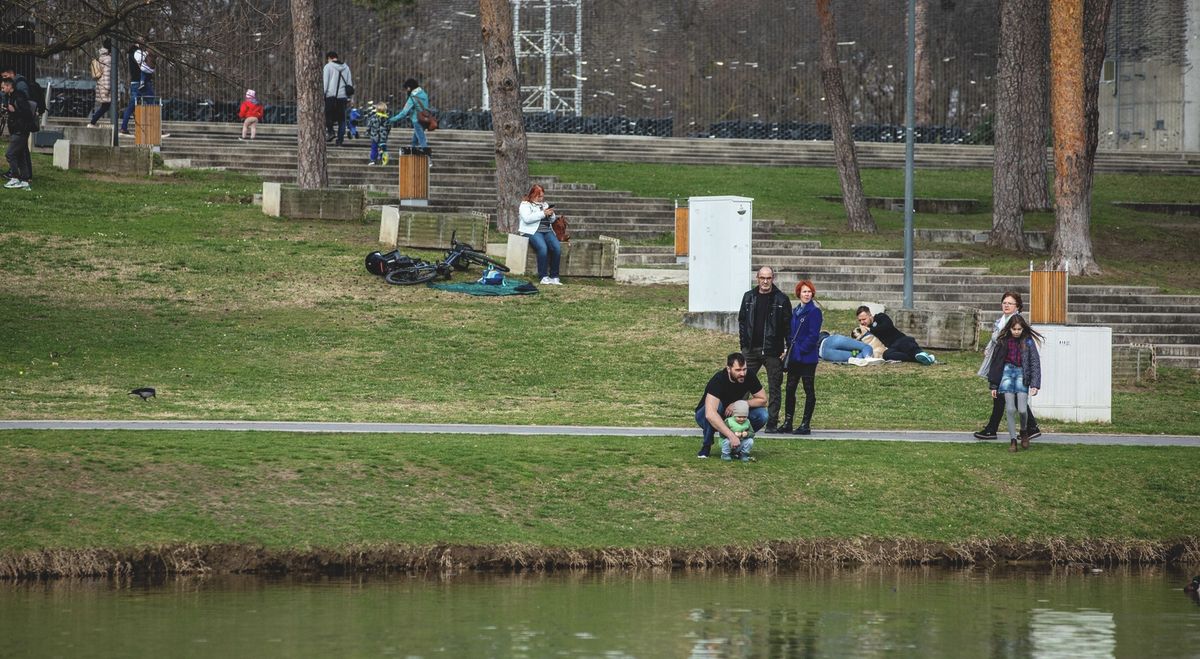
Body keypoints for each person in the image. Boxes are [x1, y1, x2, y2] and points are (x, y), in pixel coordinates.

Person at [974, 291, 1042, 441]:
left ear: (1017, 307)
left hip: (1010, 367)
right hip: (1001, 364)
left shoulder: (1016, 323)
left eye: (1010, 303)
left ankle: (1025, 427)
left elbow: (1028, 353)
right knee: (1002, 397)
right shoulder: (1002, 321)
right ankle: (1027, 427)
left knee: (1008, 397)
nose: (1006, 305)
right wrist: (988, 348)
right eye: (1004, 302)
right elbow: (995, 339)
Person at [738, 266, 792, 433]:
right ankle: (737, 419)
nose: (765, 281)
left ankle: (772, 423)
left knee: (774, 387)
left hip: (772, 350)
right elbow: (742, 321)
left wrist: (786, 348)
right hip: (751, 349)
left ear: (773, 278)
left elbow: (787, 326)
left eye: (768, 278)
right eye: (762, 277)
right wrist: (744, 344)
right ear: (757, 277)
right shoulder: (748, 297)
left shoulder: (781, 299)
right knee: (742, 386)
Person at [695, 352, 768, 458]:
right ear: (729, 369)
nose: (742, 373)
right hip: (705, 416)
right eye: (738, 370)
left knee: (762, 414)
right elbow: (710, 414)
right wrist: (731, 435)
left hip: (731, 416)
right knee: (716, 407)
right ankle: (706, 446)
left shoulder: (749, 375)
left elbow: (763, 400)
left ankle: (739, 445)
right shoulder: (718, 379)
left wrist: (738, 404)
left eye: (744, 369)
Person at [987, 314, 1043, 452]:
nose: (1017, 331)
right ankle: (1013, 440)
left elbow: (1034, 362)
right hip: (1006, 374)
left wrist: (1035, 384)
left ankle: (1024, 431)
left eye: (1019, 329)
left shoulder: (1028, 341)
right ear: (1009, 328)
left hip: (1022, 375)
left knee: (1023, 409)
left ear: (1023, 328)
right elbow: (996, 363)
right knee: (1010, 409)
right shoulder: (1003, 341)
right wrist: (993, 384)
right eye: (1014, 329)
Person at [782, 280, 823, 434]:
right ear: (799, 293)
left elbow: (813, 336)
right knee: (790, 388)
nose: (806, 294)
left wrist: (800, 349)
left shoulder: (814, 311)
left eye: (809, 292)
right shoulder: (796, 310)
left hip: (807, 357)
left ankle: (805, 423)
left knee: (808, 388)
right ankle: (788, 421)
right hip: (794, 356)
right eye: (804, 291)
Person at [517, 184, 563, 286]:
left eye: (542, 196)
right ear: (533, 194)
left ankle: (554, 276)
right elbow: (527, 219)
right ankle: (543, 276)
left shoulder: (544, 204)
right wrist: (543, 213)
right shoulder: (525, 204)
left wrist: (551, 214)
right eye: (539, 196)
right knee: (543, 248)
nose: (541, 198)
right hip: (531, 231)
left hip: (547, 231)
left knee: (557, 248)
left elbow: (552, 220)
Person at [856, 306, 936, 364]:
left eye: (864, 319)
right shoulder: (865, 329)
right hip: (892, 347)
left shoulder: (880, 316)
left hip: (901, 340)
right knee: (886, 355)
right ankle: (919, 358)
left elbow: (888, 325)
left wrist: (871, 329)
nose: (862, 322)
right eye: (860, 320)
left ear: (870, 315)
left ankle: (921, 354)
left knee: (904, 343)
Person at [2, 77, 35, 190]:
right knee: (20, 155)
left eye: (3, 87)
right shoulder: (10, 97)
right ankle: (25, 180)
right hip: (18, 129)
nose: (2, 89)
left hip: (20, 130)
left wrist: (14, 111)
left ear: (9, 86)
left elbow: (27, 114)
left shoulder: (19, 97)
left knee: (10, 154)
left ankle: (15, 178)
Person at [388, 78, 431, 155]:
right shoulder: (424, 94)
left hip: (417, 120)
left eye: (407, 88)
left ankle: (428, 158)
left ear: (410, 87)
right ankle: (412, 153)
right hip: (425, 119)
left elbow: (404, 113)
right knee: (415, 140)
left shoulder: (412, 97)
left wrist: (391, 120)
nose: (407, 90)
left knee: (422, 139)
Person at [322, 51, 353, 146]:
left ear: (329, 58)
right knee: (342, 120)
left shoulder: (328, 67)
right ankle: (340, 140)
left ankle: (331, 132)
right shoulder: (346, 67)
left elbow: (325, 82)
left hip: (330, 96)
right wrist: (349, 97)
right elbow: (349, 83)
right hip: (342, 97)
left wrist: (323, 94)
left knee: (327, 115)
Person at [87, 39, 113, 127]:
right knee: (106, 107)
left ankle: (92, 122)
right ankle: (92, 122)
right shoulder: (108, 59)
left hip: (102, 85)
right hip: (106, 86)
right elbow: (107, 75)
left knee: (105, 107)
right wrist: (107, 88)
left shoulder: (102, 57)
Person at [366, 101, 391, 166]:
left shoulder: (373, 117)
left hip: (375, 136)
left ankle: (373, 160)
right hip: (383, 137)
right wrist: (387, 133)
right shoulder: (387, 118)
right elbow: (388, 127)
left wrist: (368, 132)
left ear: (376, 109)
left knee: (374, 148)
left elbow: (369, 125)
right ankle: (384, 159)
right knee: (383, 148)